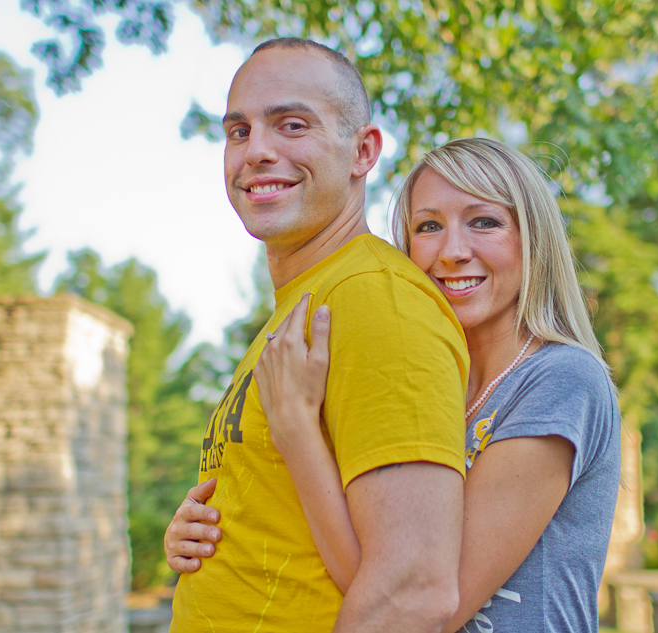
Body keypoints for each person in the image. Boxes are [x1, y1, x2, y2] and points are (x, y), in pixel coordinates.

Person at [164, 38, 470, 633]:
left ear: (362, 151)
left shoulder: (378, 302)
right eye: (238, 131)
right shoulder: (307, 304)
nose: (256, 152)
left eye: (291, 124)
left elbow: (413, 591)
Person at [254, 138, 622, 632]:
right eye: (428, 226)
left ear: (532, 237)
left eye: (484, 221)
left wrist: (297, 432)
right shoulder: (428, 387)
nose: (451, 251)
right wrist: (218, 527)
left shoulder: (562, 379)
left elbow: (422, 601)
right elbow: (359, 546)